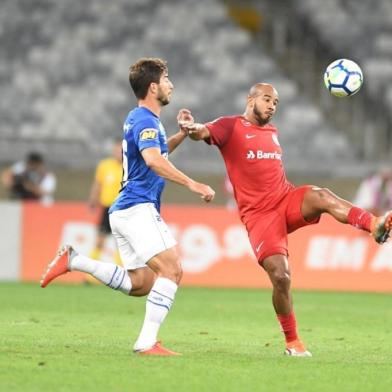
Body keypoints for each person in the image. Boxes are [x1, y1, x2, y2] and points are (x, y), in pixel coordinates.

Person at [179, 83, 392, 357]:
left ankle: (374, 225)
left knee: (322, 195)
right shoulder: (230, 126)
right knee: (281, 276)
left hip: (286, 199)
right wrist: (190, 126)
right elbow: (202, 132)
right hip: (259, 216)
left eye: (276, 102)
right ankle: (293, 342)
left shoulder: (272, 132)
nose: (272, 106)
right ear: (251, 99)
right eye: (267, 99)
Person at [40, 57, 215, 356]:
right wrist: (193, 184)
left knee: (141, 283)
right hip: (137, 207)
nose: (171, 84)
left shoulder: (144, 119)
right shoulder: (145, 120)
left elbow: (157, 151)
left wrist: (182, 135)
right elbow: (153, 160)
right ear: (153, 86)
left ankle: (75, 261)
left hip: (124, 210)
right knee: (172, 270)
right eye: (167, 78)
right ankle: (147, 342)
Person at [88, 139, 123, 264]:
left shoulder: (130, 166)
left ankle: (121, 273)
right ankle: (89, 277)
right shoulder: (104, 165)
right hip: (107, 208)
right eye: (117, 150)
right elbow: (98, 184)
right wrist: (93, 199)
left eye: (122, 150)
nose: (119, 153)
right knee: (99, 241)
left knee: (122, 243)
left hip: (123, 209)